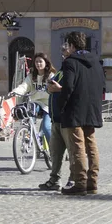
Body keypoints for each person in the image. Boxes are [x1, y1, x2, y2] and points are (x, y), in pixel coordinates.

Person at [57, 31, 105, 196]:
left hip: (75, 109)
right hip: (92, 109)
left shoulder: (70, 62)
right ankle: (92, 183)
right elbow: (102, 86)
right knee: (91, 145)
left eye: (67, 45)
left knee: (78, 146)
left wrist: (60, 102)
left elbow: (68, 86)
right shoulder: (96, 61)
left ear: (71, 45)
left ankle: (80, 183)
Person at [40, 44, 73, 191]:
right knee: (55, 152)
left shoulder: (72, 70)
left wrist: (58, 89)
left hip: (68, 118)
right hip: (56, 118)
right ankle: (54, 179)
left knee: (73, 152)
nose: (62, 54)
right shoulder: (61, 71)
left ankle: (73, 179)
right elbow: (53, 87)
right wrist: (50, 87)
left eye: (65, 50)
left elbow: (72, 90)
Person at [9, 53, 55, 143]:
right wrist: (15, 92)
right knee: (29, 112)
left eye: (40, 62)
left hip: (48, 105)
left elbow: (55, 88)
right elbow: (24, 86)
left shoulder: (51, 76)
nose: (38, 64)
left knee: (46, 127)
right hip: (36, 103)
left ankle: (53, 150)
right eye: (36, 62)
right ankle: (28, 133)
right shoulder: (31, 76)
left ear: (46, 63)